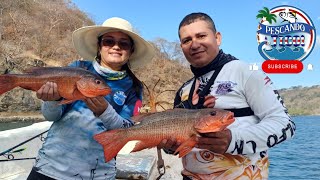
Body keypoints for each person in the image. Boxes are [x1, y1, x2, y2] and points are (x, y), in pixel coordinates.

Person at [158, 12, 295, 179]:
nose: (194, 45)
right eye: (187, 40)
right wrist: (169, 147)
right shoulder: (184, 90)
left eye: (201, 36)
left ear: (217, 38)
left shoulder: (245, 72)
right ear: (182, 47)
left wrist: (233, 140)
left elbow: (285, 125)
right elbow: (179, 145)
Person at [27, 17, 154, 180]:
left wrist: (105, 111)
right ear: (99, 46)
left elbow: (127, 130)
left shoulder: (134, 87)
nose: (116, 47)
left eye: (124, 43)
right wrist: (50, 101)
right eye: (109, 41)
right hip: (50, 167)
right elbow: (51, 116)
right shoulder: (77, 68)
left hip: (98, 173)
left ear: (131, 51)